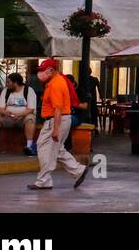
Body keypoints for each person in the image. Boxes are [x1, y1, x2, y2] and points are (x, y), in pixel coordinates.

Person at [27, 59, 92, 191]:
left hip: (56, 120)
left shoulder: (56, 84)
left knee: (46, 150)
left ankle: (44, 181)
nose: (40, 73)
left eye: (42, 71)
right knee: (56, 150)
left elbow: (57, 109)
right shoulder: (54, 82)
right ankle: (78, 170)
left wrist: (55, 129)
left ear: (51, 70)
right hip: (58, 120)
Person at [0, 74, 37, 155]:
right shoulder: (6, 91)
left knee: (31, 118)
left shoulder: (28, 90)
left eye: (8, 82)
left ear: (15, 83)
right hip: (8, 117)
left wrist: (19, 115)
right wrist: (6, 113)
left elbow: (30, 109)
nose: (7, 84)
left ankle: (29, 147)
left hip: (23, 118)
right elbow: (0, 108)